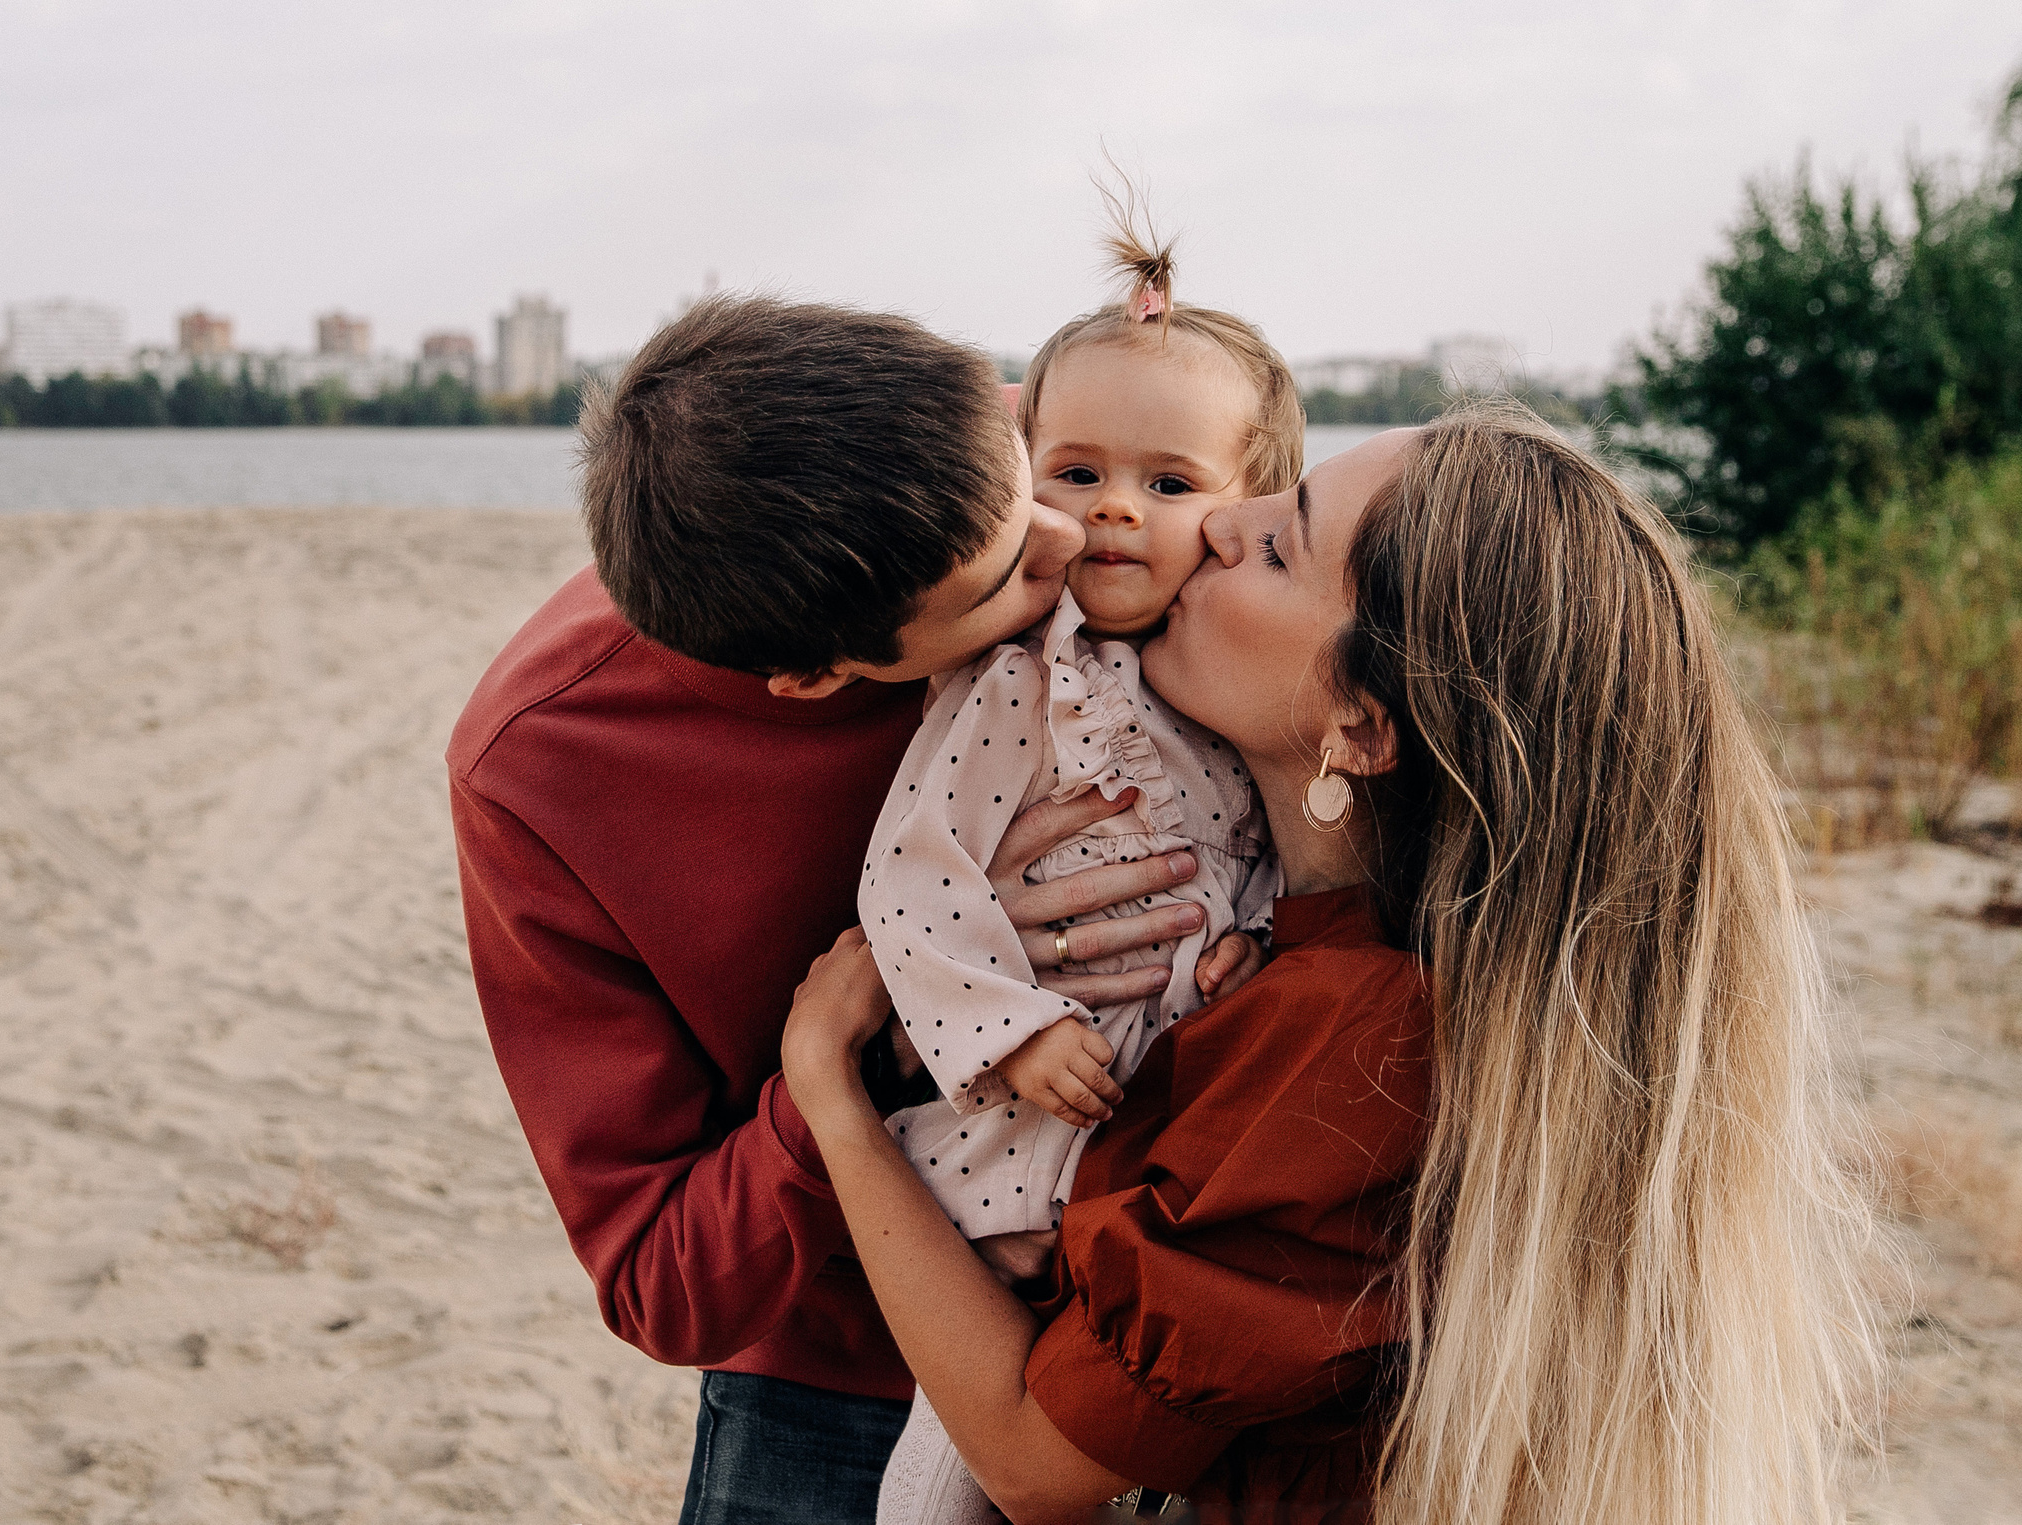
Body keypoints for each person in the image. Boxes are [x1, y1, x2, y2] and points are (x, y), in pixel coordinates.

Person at [782, 406, 1881, 1524]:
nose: (1216, 522)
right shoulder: (1325, 955)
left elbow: (1033, 1464)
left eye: (1275, 545)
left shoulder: (1360, 1038)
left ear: (1358, 726)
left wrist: (830, 1089)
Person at [447, 295, 1221, 1524]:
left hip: (1176, 1299)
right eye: (1002, 579)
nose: (1073, 546)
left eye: (1037, 484)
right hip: (841, 1380)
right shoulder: (544, 769)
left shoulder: (1073, 453)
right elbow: (661, 1280)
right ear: (813, 678)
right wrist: (887, 1039)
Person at [863, 241, 1305, 1521]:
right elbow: (911, 875)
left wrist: (1254, 940)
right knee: (956, 1459)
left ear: (1242, 504)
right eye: (1077, 472)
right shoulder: (1020, 683)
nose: (1114, 507)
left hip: (1154, 1122)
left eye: (1166, 481)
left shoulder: (1230, 680)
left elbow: (1272, 847)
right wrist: (1012, 1024)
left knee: (1118, 1442)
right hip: (1025, 1116)